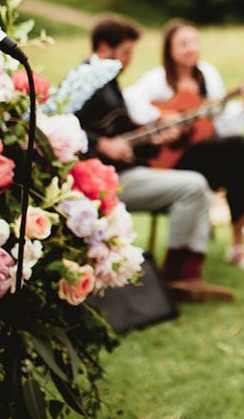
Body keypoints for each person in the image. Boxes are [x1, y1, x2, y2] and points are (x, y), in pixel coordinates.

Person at [74, 15, 234, 302]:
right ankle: (173, 275)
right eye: (125, 52)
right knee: (194, 185)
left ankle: (189, 272)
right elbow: (63, 126)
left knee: (201, 187)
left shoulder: (108, 82)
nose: (130, 59)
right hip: (104, 182)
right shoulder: (83, 82)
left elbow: (125, 138)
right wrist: (102, 144)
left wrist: (153, 139)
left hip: (125, 170)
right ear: (103, 48)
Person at [123, 19, 244, 269]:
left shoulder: (208, 75)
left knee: (238, 159)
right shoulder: (158, 79)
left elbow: (223, 127)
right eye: (183, 43)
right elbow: (128, 99)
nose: (191, 48)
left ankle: (240, 244)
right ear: (170, 49)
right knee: (238, 150)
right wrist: (162, 117)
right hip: (171, 161)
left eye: (194, 42)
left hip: (206, 157)